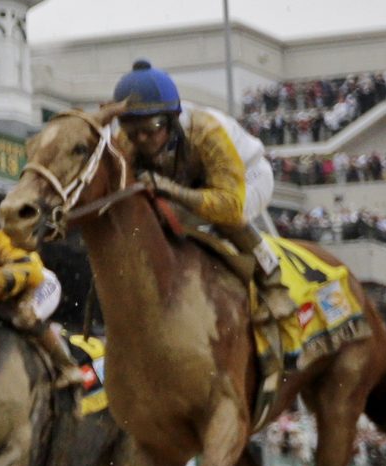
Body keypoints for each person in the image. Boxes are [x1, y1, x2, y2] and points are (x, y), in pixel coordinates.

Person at [110, 61, 301, 323]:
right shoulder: (125, 141)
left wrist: (172, 190)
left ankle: (272, 281)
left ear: (171, 119)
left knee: (225, 218)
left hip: (248, 176)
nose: (141, 139)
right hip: (195, 182)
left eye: (151, 128)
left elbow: (228, 204)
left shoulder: (207, 131)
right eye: (132, 130)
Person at [0, 210, 89, 389]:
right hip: (8, 295)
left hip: (39, 285)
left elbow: (3, 282)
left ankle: (68, 367)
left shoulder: (7, 243)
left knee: (24, 316)